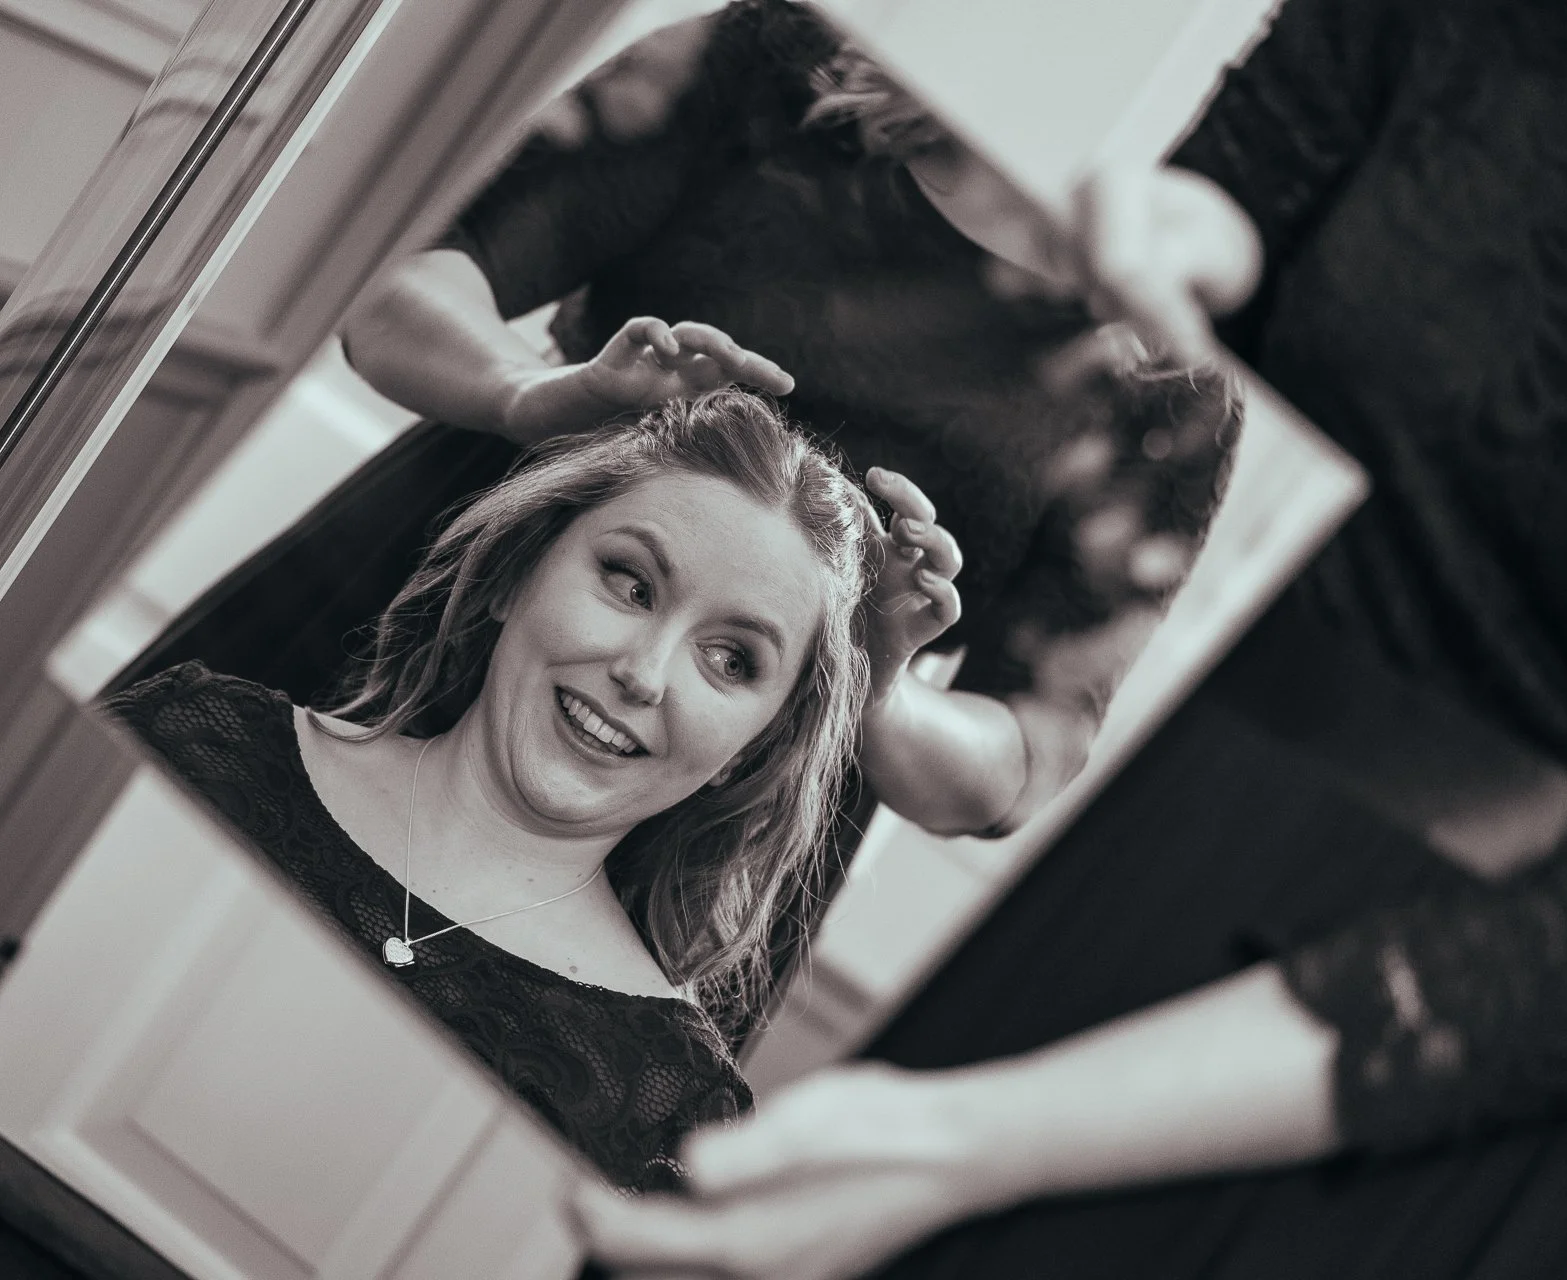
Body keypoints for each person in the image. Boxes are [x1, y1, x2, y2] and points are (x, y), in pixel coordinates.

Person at [573, 0, 1567, 1273]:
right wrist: (1188, 233)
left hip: (1467, 1029)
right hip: (1171, 843)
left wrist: (974, 1139)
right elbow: (1254, 192)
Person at [125, 0, 1243, 843]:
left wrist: (876, 678)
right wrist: (540, 397)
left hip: (712, 837)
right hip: (402, 626)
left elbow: (1028, 754)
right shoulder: (766, 65)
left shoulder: (1176, 378)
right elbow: (400, 287)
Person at [104, 317, 965, 1194]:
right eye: (631, 585)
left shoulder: (670, 1109)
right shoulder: (200, 736)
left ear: (755, 748)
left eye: (731, 659)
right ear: (518, 574)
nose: (642, 673)